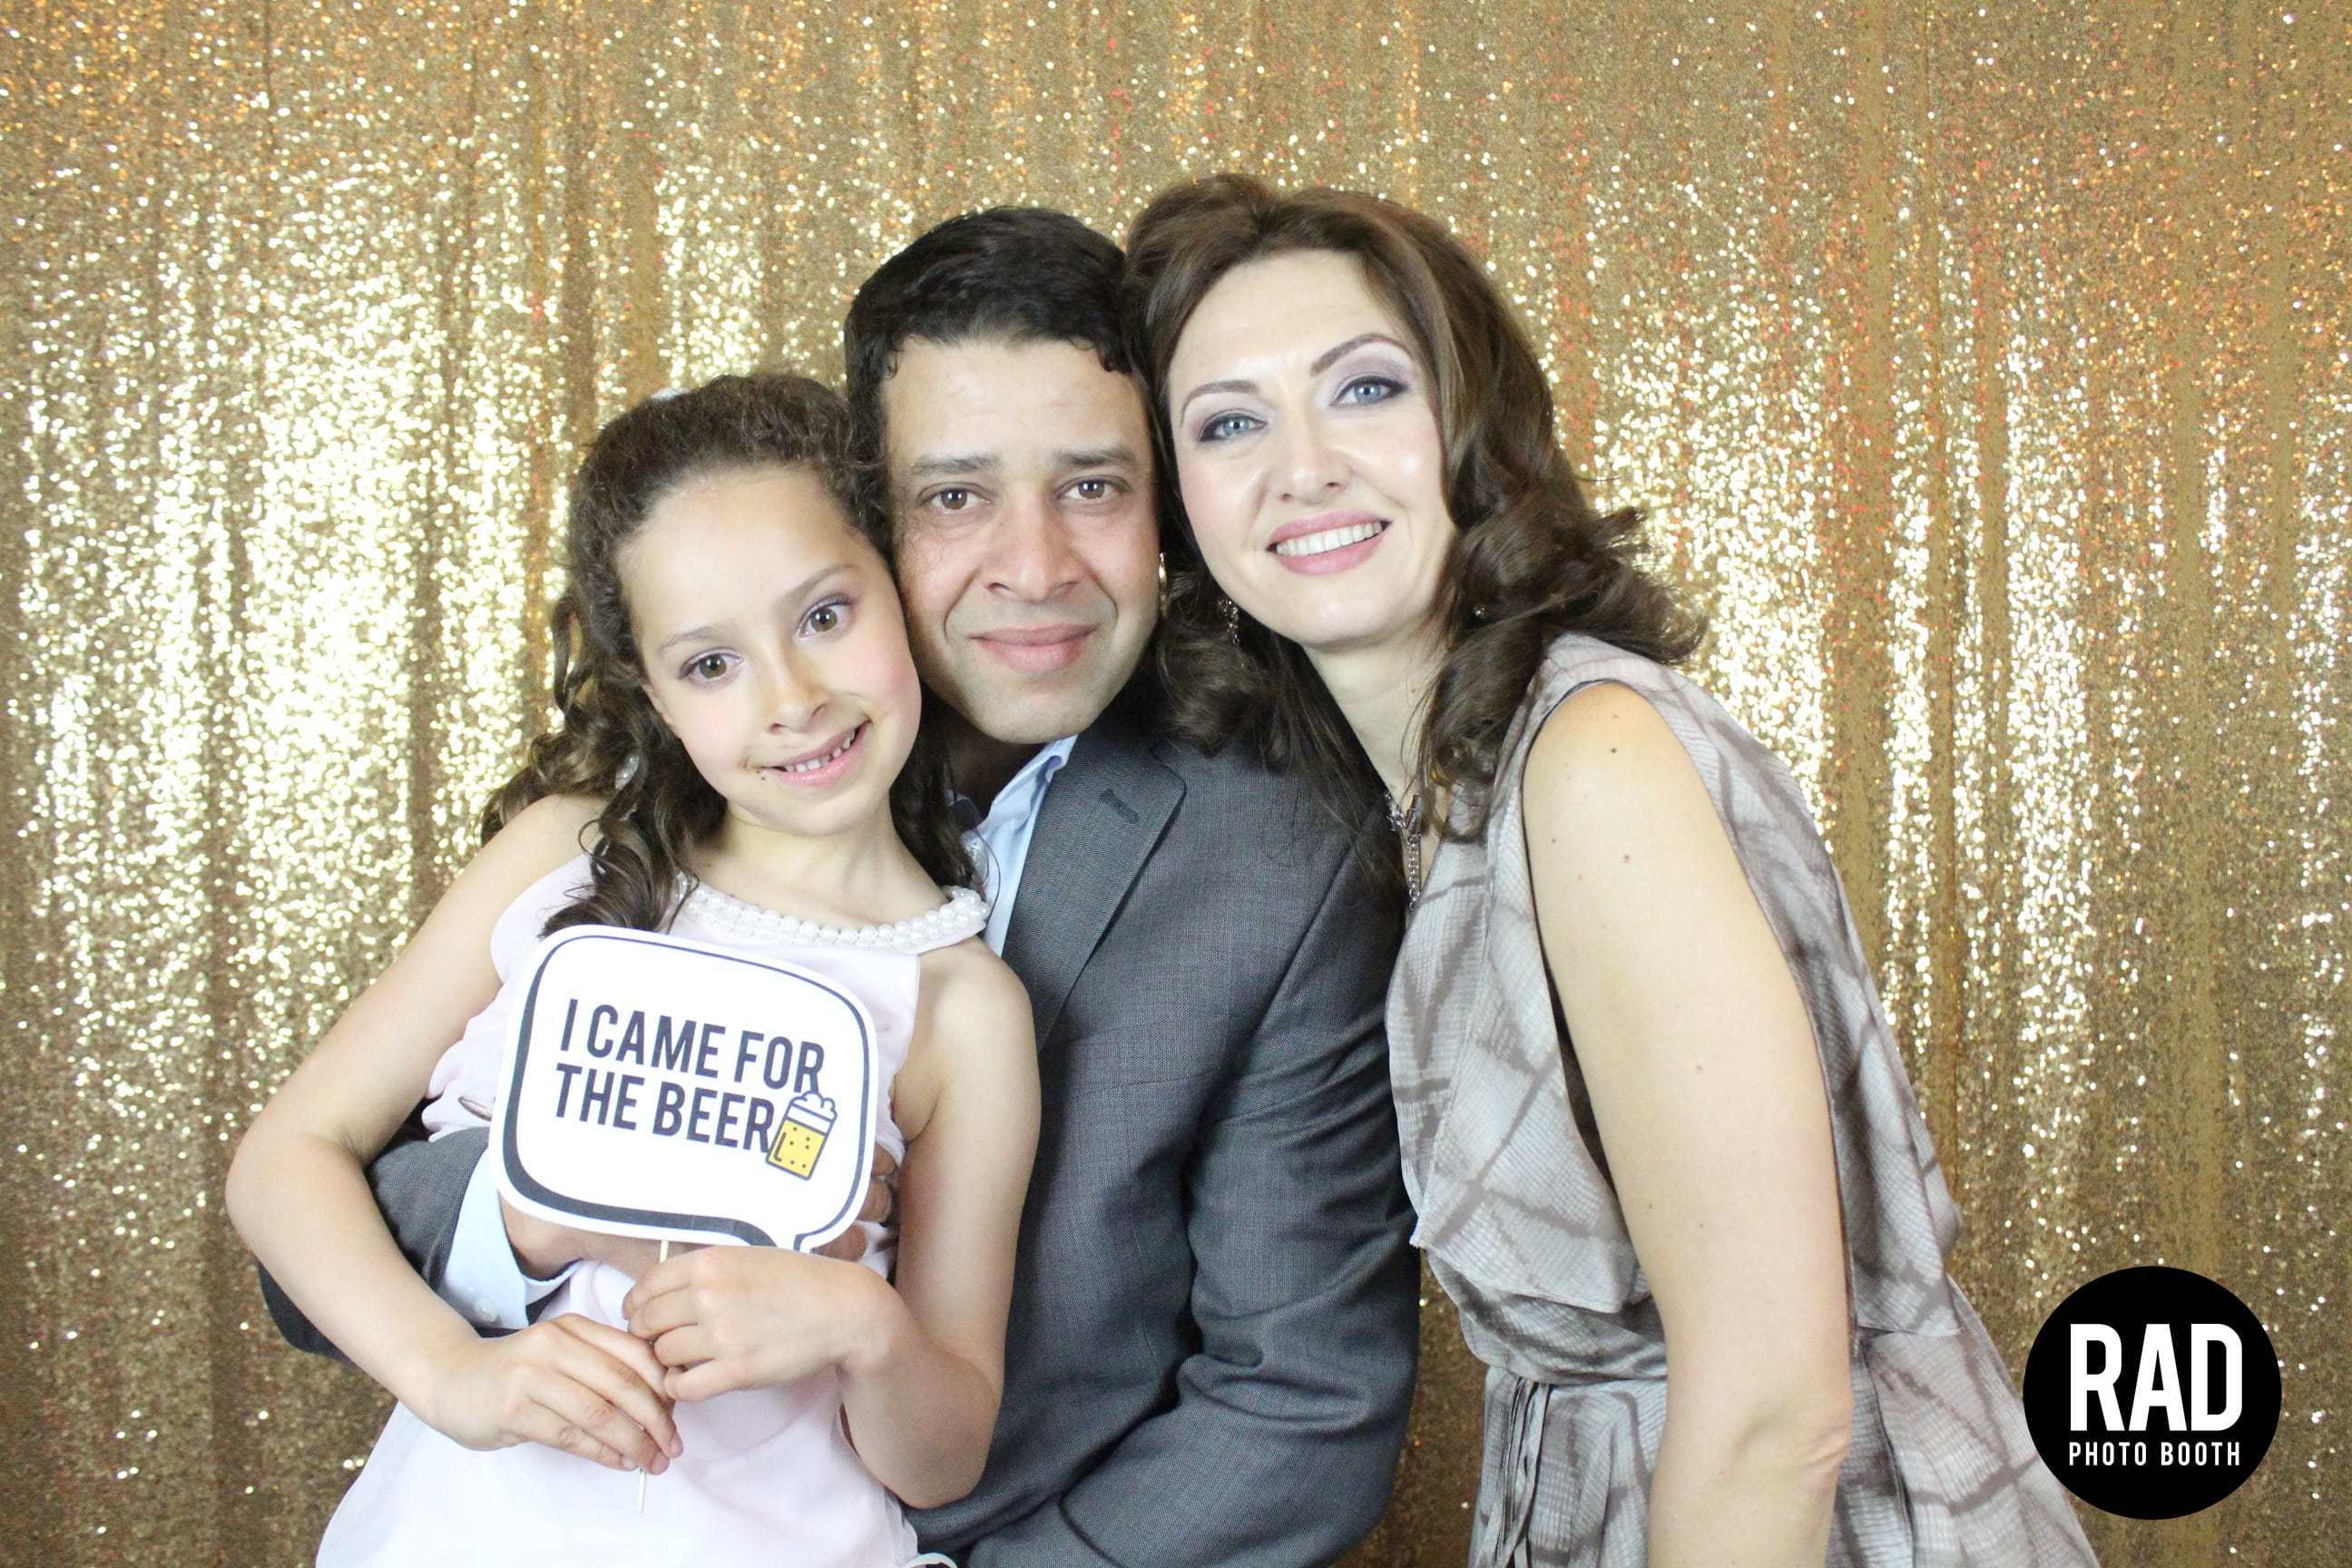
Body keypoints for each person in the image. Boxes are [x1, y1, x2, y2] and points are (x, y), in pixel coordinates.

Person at [262, 210, 1422, 1567]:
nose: (1033, 566)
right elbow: (308, 1190)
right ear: (880, 519)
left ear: (1167, 504)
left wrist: (867, 1334)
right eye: (956, 496)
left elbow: (1297, 1409)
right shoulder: (611, 835)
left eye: (1094, 486)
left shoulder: (1256, 877)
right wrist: (515, 1233)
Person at [1123, 173, 2101, 1568]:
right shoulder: (1431, 796)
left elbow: (1773, 1416)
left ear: (1471, 426)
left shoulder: (1591, 762)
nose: (1304, 465)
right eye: (1230, 422)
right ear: (1179, 504)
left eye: (1365, 390)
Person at [230, 372, 1040, 1567]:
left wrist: (864, 1326)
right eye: (712, 665)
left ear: (899, 583)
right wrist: (452, 1373)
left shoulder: (965, 1007)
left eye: (825, 615)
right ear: (652, 694)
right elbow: (285, 1158)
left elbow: (947, 1450)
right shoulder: (565, 855)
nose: (793, 698)